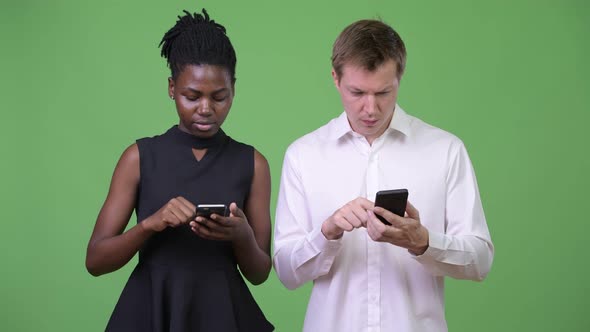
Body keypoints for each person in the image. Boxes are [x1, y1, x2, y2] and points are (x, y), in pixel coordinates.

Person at [273, 19, 493, 332]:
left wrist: (423, 242)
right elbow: (285, 272)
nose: (370, 108)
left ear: (399, 79)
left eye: (383, 92)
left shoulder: (445, 150)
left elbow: (480, 260)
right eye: (357, 92)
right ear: (335, 79)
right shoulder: (303, 155)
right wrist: (327, 232)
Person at [85, 8, 274, 332]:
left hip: (223, 314)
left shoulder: (253, 163)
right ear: (172, 87)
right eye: (192, 96)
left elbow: (259, 273)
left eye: (219, 97)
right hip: (152, 310)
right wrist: (150, 225)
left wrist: (242, 236)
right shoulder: (139, 157)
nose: (206, 108)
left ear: (234, 89)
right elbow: (96, 260)